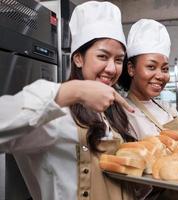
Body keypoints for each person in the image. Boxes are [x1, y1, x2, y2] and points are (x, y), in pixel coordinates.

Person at [0, 1, 136, 200]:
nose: (112, 68)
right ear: (78, 58)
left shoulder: (111, 111)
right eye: (102, 56)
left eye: (118, 60)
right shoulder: (55, 116)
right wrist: (74, 91)